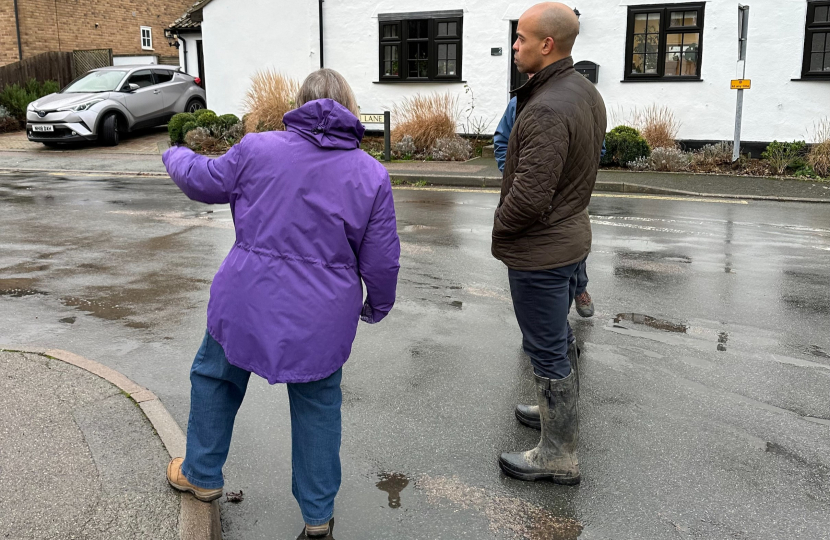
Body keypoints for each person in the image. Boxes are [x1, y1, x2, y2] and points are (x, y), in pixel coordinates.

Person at [162, 69, 401, 539]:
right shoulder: (370, 174)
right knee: (317, 408)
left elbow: (201, 180)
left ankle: (201, 475)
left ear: (300, 104)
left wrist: (174, 152)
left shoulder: (258, 148)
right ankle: (317, 519)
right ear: (350, 109)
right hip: (321, 317)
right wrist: (378, 304)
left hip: (244, 302)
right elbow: (382, 258)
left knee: (214, 378)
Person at [491, 2, 606, 485]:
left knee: (548, 349)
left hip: (542, 251)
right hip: (567, 239)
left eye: (520, 38)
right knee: (556, 342)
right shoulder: (581, 89)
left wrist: (500, 230)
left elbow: (530, 197)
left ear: (547, 44)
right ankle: (550, 412)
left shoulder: (546, 107)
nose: (514, 46)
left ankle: (557, 453)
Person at [494, 92, 603, 319]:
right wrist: (516, 176)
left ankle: (579, 289)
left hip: (568, 196)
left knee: (573, 249)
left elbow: (596, 145)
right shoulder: (520, 103)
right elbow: (502, 141)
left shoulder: (577, 98)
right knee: (542, 260)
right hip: (531, 193)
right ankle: (548, 333)